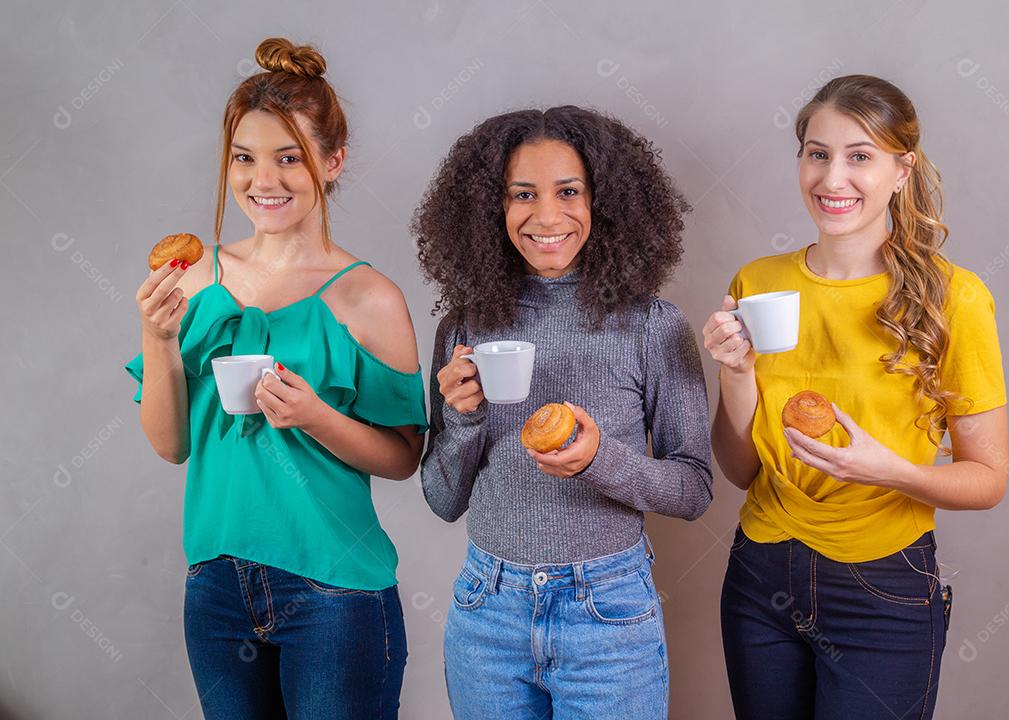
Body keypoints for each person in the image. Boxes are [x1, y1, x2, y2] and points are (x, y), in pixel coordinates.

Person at [124, 38, 426, 719]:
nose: (265, 180)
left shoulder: (368, 298)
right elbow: (171, 445)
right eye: (245, 158)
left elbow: (406, 456)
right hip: (217, 589)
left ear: (332, 161)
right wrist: (157, 338)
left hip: (336, 594)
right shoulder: (193, 276)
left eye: (289, 157)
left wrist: (316, 416)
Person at [705, 75, 1008, 719]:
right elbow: (740, 471)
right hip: (761, 572)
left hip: (884, 587)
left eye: (859, 156)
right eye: (817, 153)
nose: (831, 177)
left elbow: (989, 480)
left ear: (904, 169)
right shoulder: (758, 283)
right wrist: (736, 374)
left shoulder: (954, 299)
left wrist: (890, 471)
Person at [414, 106, 712, 719]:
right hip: (486, 613)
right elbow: (443, 500)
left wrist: (601, 460)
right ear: (490, 210)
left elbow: (694, 489)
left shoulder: (653, 328)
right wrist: (464, 419)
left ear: (606, 203)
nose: (546, 217)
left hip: (608, 616)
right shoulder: (463, 329)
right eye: (522, 195)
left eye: (569, 192)